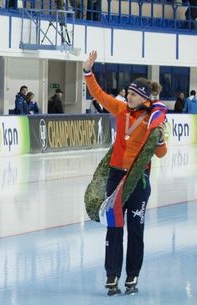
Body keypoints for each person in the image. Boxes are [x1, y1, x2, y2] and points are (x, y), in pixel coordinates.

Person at [83, 50, 167, 296]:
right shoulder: (120, 110)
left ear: (142, 98)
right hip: (116, 178)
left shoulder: (155, 118)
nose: (126, 97)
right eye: (127, 93)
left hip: (138, 181)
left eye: (131, 94)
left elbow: (161, 154)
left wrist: (160, 138)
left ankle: (132, 276)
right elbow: (99, 94)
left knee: (136, 230)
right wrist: (88, 71)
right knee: (114, 229)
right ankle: (112, 277)